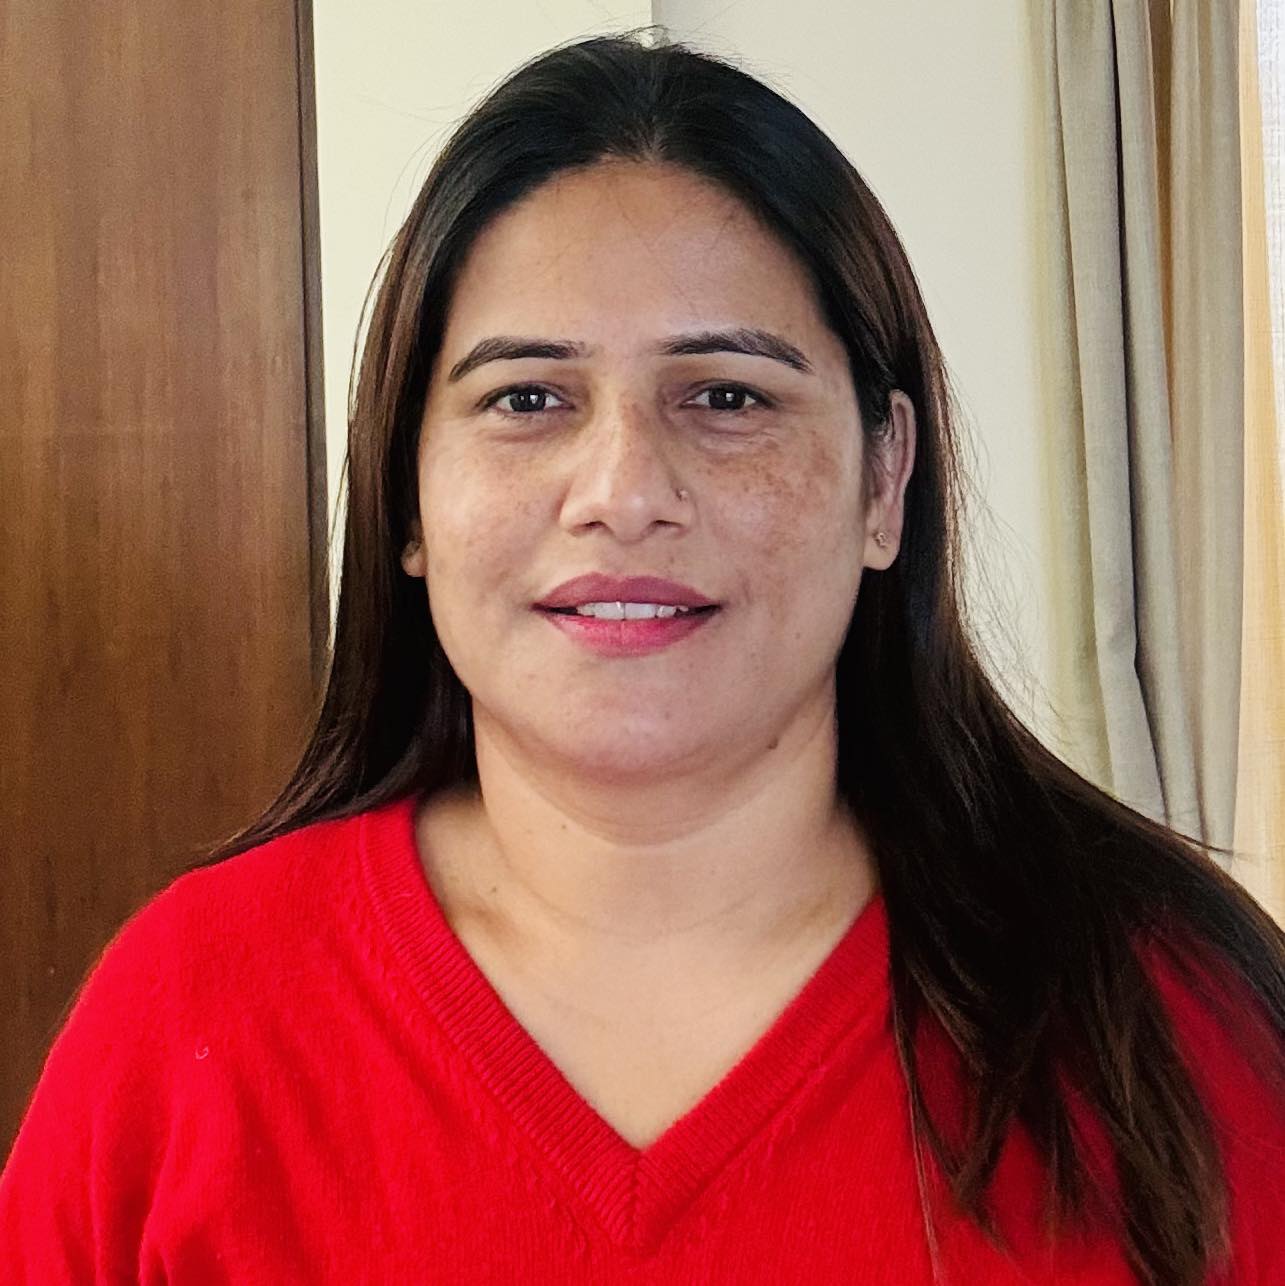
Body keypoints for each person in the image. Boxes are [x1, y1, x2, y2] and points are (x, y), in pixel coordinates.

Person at [2, 28, 1282, 1286]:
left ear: (884, 479)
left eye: (726, 395)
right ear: (405, 495)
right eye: (526, 398)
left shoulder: (1172, 1024)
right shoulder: (187, 1014)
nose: (620, 492)